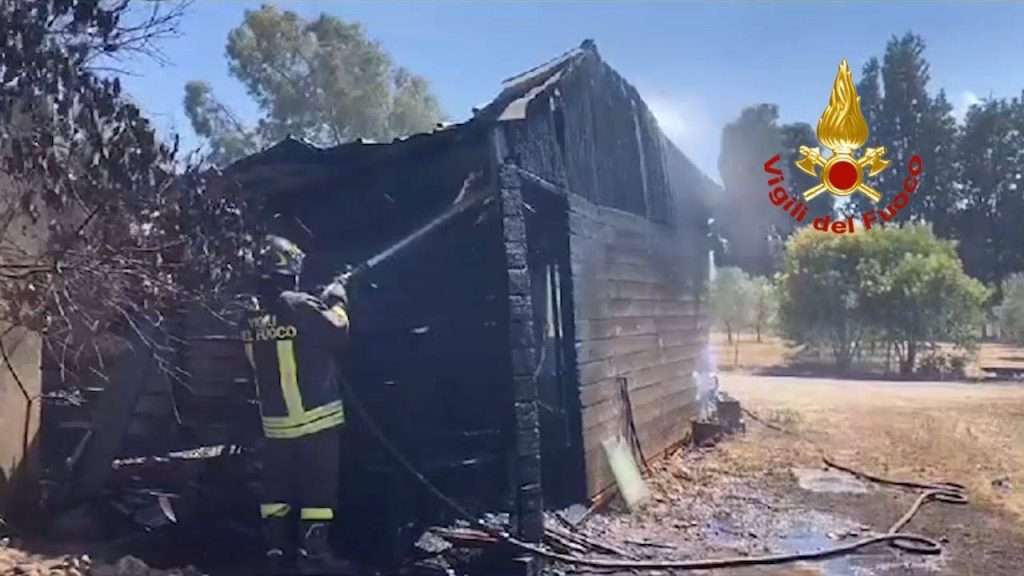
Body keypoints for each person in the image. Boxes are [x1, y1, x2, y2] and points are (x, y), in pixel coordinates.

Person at [242, 234, 353, 574]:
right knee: (318, 492)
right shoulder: (297, 304)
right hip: (314, 420)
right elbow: (338, 330)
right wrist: (336, 298)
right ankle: (314, 555)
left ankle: (275, 552)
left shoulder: (250, 313)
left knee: (276, 492)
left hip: (275, 425)